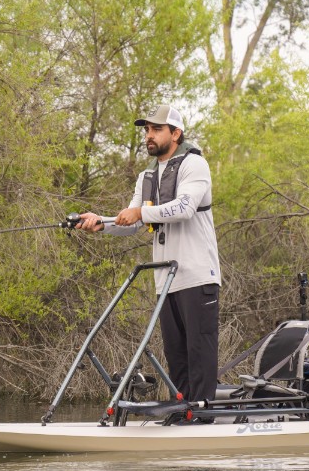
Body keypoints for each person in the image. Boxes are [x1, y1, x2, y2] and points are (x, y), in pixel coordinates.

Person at [77, 104, 221, 404]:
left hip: (197, 276)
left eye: (156, 129)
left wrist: (140, 211)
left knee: (199, 350)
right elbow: (131, 223)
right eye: (146, 130)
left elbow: (184, 208)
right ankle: (182, 412)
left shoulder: (195, 165)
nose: (149, 136)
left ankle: (203, 416)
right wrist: (99, 223)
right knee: (175, 355)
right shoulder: (147, 177)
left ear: (176, 133)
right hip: (165, 280)